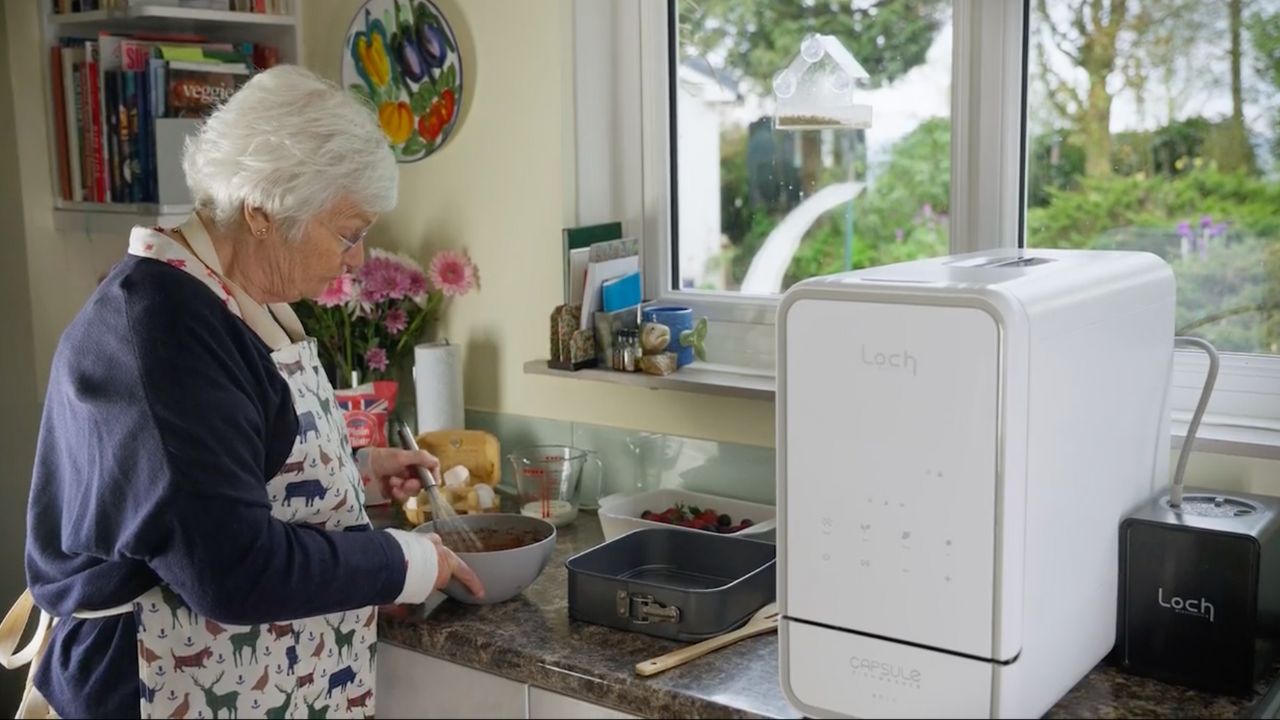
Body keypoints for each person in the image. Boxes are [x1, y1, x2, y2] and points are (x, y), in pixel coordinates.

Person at [7, 65, 483, 719]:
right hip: (146, 686)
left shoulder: (227, 296)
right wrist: (404, 560)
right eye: (348, 233)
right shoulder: (161, 328)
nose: (357, 259)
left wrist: (358, 470)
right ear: (261, 210)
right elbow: (232, 571)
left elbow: (222, 460)